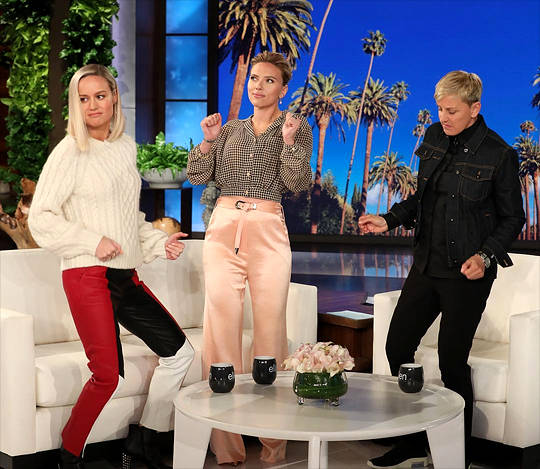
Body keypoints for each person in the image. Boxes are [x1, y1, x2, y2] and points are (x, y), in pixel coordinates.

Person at [28, 64, 195, 469]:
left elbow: (127, 218)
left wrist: (158, 241)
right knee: (107, 374)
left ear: (114, 96)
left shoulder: (125, 148)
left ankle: (145, 439)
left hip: (124, 275)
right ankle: (69, 457)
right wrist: (91, 241)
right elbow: (41, 217)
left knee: (180, 353)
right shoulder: (69, 151)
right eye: (83, 99)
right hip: (87, 275)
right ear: (75, 104)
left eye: (99, 96)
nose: (92, 105)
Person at [359, 71, 524, 469]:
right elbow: (420, 198)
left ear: (474, 109)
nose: (443, 117)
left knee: (452, 361)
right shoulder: (434, 137)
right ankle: (415, 440)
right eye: (440, 108)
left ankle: (456, 456)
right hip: (426, 265)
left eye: (451, 110)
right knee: (397, 346)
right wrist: (388, 218)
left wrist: (484, 257)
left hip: (467, 273)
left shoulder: (499, 154)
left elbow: (512, 218)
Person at [187, 51, 313, 465]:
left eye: (269, 81)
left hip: (268, 231)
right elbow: (196, 177)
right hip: (223, 230)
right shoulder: (227, 130)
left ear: (283, 87)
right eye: (254, 78)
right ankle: (226, 447)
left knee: (270, 332)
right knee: (219, 329)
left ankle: (273, 443)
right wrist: (206, 140)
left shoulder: (294, 127)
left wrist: (292, 143)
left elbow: (296, 183)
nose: (258, 86)